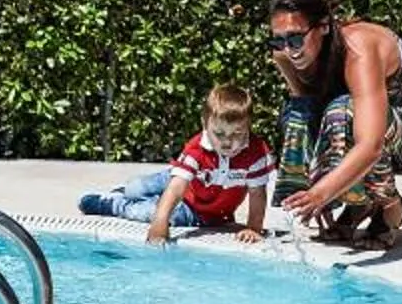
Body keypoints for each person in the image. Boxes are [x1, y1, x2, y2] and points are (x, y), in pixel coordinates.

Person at [266, 0, 402, 250]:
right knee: (299, 113)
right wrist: (315, 181)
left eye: (296, 38)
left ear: (323, 27)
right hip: (378, 131)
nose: (288, 49)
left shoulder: (358, 48)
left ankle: (389, 207)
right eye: (278, 41)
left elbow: (370, 144)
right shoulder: (290, 53)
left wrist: (321, 193)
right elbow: (310, 113)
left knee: (345, 111)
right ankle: (360, 204)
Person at [78, 83, 275, 243]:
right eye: (219, 133)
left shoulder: (255, 152)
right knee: (134, 188)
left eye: (237, 134)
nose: (227, 142)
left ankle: (112, 204)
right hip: (178, 180)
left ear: (249, 126)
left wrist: (253, 228)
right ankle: (125, 193)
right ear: (205, 124)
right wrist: (159, 225)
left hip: (196, 210)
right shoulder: (198, 148)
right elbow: (176, 188)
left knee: (146, 212)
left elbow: (257, 193)